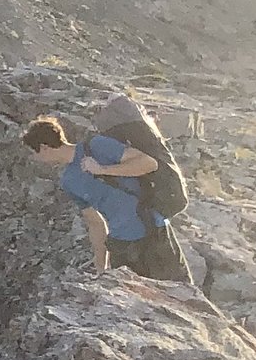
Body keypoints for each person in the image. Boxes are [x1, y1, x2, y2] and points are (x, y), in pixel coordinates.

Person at [22, 114, 192, 282]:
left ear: (44, 147)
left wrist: (102, 170)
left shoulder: (96, 145)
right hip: (121, 246)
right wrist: (101, 269)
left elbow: (149, 163)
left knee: (181, 293)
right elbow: (95, 223)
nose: (36, 159)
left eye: (35, 153)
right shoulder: (68, 181)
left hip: (153, 231)